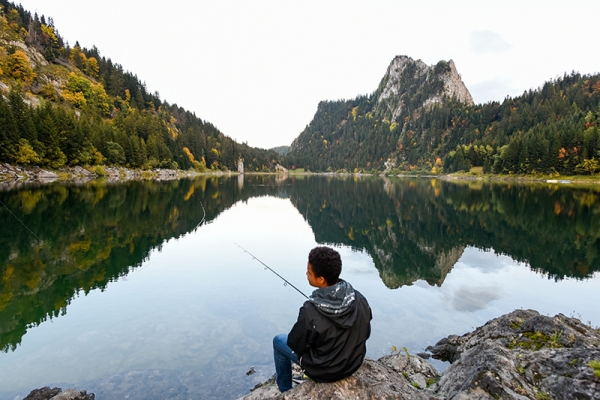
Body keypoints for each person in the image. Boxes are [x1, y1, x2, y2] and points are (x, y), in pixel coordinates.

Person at [272, 246, 372, 392]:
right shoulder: (359, 298)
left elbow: (295, 344)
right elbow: (365, 333)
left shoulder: (310, 311)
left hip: (324, 372)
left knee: (278, 341)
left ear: (321, 279)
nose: (306, 273)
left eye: (309, 272)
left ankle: (285, 390)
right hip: (353, 364)